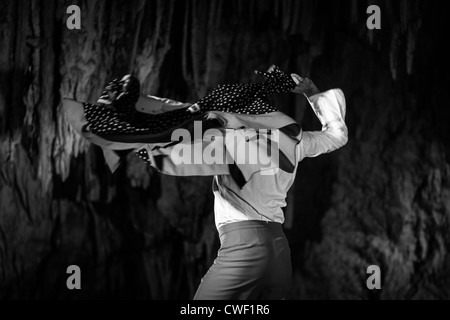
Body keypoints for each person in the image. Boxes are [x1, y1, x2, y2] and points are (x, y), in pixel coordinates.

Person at [63, 66, 348, 300]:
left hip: (245, 250)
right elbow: (337, 135)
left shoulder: (234, 136)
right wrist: (311, 91)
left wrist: (128, 121)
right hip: (279, 254)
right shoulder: (295, 138)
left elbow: (179, 126)